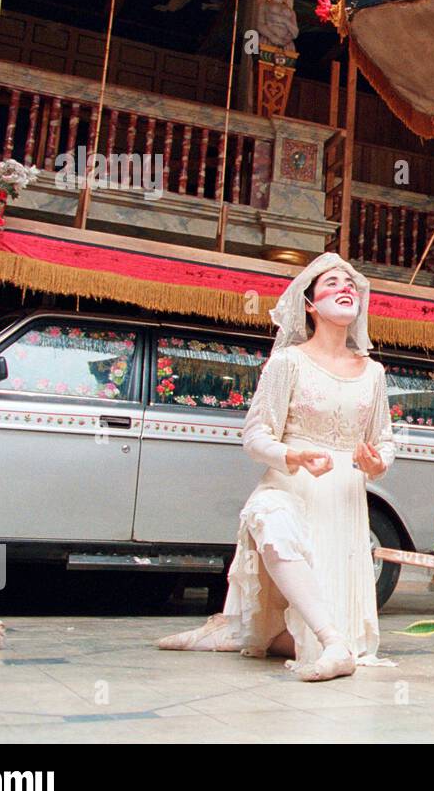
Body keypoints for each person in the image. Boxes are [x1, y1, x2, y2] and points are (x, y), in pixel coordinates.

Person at [156, 254, 396, 679]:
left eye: (351, 284)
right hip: (290, 483)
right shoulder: (288, 362)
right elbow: (255, 435)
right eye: (332, 284)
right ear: (309, 304)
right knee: (266, 516)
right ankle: (333, 644)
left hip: (342, 499)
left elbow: (384, 441)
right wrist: (291, 455)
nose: (346, 288)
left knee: (286, 640)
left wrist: (377, 464)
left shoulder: (373, 372)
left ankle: (246, 631)